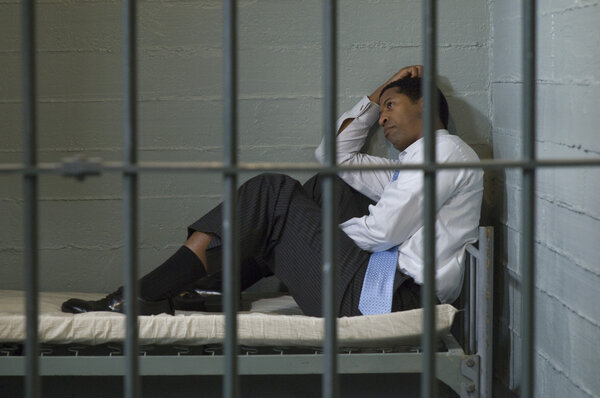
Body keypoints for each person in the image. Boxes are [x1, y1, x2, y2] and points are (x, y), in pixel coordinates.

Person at [62, 65, 483, 317]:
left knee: (272, 193)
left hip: (390, 297)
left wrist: (300, 236)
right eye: (383, 110)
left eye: (391, 107)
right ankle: (212, 288)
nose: (383, 119)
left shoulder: (444, 151)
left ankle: (143, 295)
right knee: (325, 186)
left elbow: (385, 232)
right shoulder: (408, 164)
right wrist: (378, 92)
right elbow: (332, 155)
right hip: (378, 286)